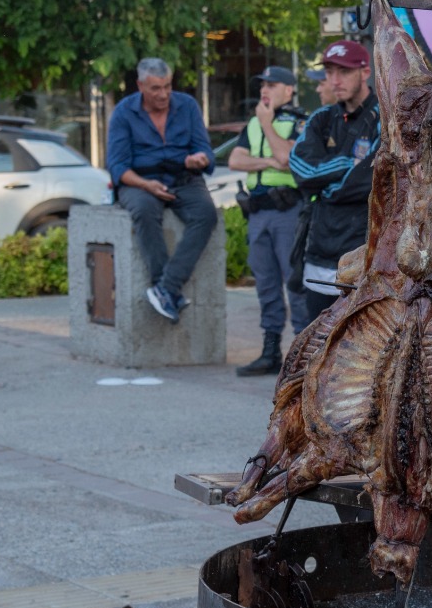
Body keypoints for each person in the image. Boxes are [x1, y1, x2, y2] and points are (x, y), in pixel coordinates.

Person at [107, 57, 218, 324]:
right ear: (140, 86)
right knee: (145, 210)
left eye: (167, 86)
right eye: (156, 88)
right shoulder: (123, 113)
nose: (164, 94)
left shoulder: (187, 106)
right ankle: (163, 286)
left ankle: (166, 289)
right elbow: (117, 167)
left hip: (183, 177)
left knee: (206, 213)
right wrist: (147, 185)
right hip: (140, 181)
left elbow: (206, 152)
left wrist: (200, 159)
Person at [290, 39, 379, 323]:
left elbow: (371, 179)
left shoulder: (384, 117)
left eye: (343, 71)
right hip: (319, 250)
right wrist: (345, 164)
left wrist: (325, 184)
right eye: (329, 72)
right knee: (312, 344)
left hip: (363, 253)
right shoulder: (321, 118)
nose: (334, 80)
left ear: (365, 72)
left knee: (358, 350)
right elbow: (301, 170)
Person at [229, 66, 308, 376]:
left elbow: (289, 159)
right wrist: (266, 159)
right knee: (265, 284)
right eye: (262, 84)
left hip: (287, 213)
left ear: (288, 90)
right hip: (258, 213)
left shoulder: (300, 122)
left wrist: (267, 126)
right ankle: (270, 351)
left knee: (294, 283)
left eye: (272, 85)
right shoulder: (252, 124)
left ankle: (304, 354)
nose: (265, 90)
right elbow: (235, 160)